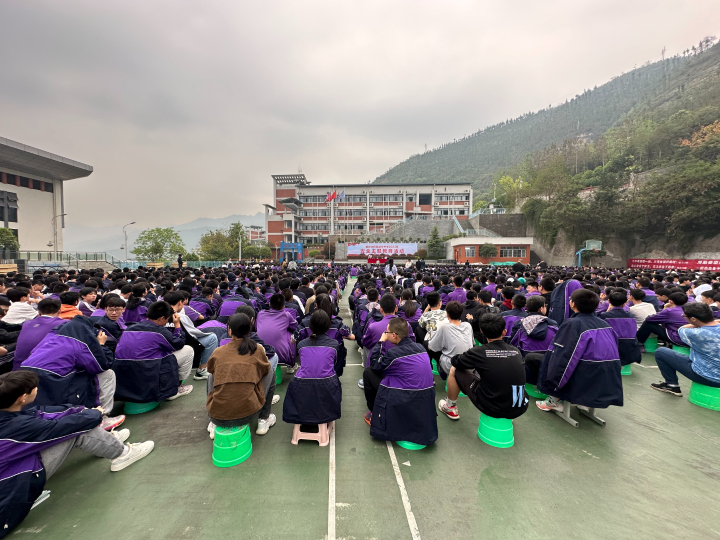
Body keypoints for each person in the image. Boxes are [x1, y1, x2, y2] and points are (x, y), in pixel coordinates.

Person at [0, 371, 154, 537]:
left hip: (9, 472)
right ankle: (122, 453)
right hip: (8, 498)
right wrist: (95, 414)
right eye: (34, 388)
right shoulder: (16, 427)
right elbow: (60, 427)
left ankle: (106, 441)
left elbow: (39, 413)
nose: (37, 389)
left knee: (78, 421)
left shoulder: (8, 414)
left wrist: (81, 411)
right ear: (22, 398)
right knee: (77, 430)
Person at [19, 316, 124, 431]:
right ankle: (100, 419)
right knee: (107, 374)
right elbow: (102, 365)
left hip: (25, 377)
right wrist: (100, 345)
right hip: (54, 381)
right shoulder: (79, 342)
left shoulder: (51, 337)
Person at [536, 289, 623, 413]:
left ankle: (553, 400)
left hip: (584, 379)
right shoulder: (605, 324)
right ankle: (584, 402)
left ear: (573, 304)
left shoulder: (573, 324)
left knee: (550, 359)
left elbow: (564, 358)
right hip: (608, 382)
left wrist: (553, 384)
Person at [438, 313, 528, 421]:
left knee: (454, 369)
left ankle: (450, 406)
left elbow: (455, 361)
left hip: (492, 408)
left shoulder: (479, 352)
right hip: (520, 407)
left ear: (481, 331)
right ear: (504, 332)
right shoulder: (515, 351)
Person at [362, 317, 437, 446]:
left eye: (386, 332)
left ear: (394, 335)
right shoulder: (420, 348)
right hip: (426, 399)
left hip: (406, 398)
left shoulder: (394, 353)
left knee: (368, 372)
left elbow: (374, 364)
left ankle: (375, 413)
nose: (385, 334)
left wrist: (380, 342)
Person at [206, 313, 276, 437]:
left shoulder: (218, 352)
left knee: (212, 375)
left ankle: (213, 423)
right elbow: (265, 369)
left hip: (219, 417)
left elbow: (210, 369)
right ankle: (264, 419)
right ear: (249, 329)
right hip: (250, 414)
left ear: (229, 330)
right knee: (270, 372)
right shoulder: (257, 349)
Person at [113, 301, 194, 403]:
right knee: (188, 350)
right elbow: (178, 343)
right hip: (148, 373)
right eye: (167, 319)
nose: (166, 322)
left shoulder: (129, 329)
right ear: (161, 318)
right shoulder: (159, 331)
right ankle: (175, 388)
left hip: (124, 380)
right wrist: (177, 325)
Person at [283, 310, 342, 426]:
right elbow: (333, 365)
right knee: (335, 381)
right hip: (327, 386)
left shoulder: (301, 345)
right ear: (328, 326)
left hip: (301, 387)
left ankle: (304, 413)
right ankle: (326, 414)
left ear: (310, 326)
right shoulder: (334, 344)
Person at [651, 302, 720, 396]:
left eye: (684, 316)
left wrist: (697, 324)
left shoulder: (692, 333)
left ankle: (672, 385)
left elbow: (681, 328)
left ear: (693, 319)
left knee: (661, 352)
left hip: (708, 377)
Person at [164, 291, 218, 381]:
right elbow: (193, 333)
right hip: (181, 347)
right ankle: (202, 370)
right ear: (180, 302)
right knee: (212, 337)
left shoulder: (157, 316)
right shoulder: (180, 316)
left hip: (163, 350)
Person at [510, 295, 558, 385]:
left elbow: (512, 344)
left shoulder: (519, 324)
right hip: (547, 366)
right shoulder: (553, 325)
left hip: (526, 369)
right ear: (541, 309)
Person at [13, 299, 66, 371]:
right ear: (59, 311)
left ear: (38, 311)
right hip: (40, 371)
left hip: (17, 369)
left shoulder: (26, 323)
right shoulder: (64, 324)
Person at [428, 301, 474, 376]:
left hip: (452, 365)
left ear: (447, 314)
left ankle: (440, 373)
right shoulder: (468, 325)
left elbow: (431, 347)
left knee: (428, 345)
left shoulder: (444, 327)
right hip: (468, 363)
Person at [599, 290, 641, 368]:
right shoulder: (631, 316)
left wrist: (607, 311)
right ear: (624, 303)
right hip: (630, 349)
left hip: (612, 348)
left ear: (609, 301)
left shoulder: (604, 316)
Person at [256, 293, 298, 369]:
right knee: (291, 335)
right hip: (281, 355)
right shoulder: (286, 315)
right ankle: (291, 365)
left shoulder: (260, 314)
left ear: (269, 304)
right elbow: (295, 327)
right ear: (283, 306)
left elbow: (257, 327)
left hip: (260, 352)